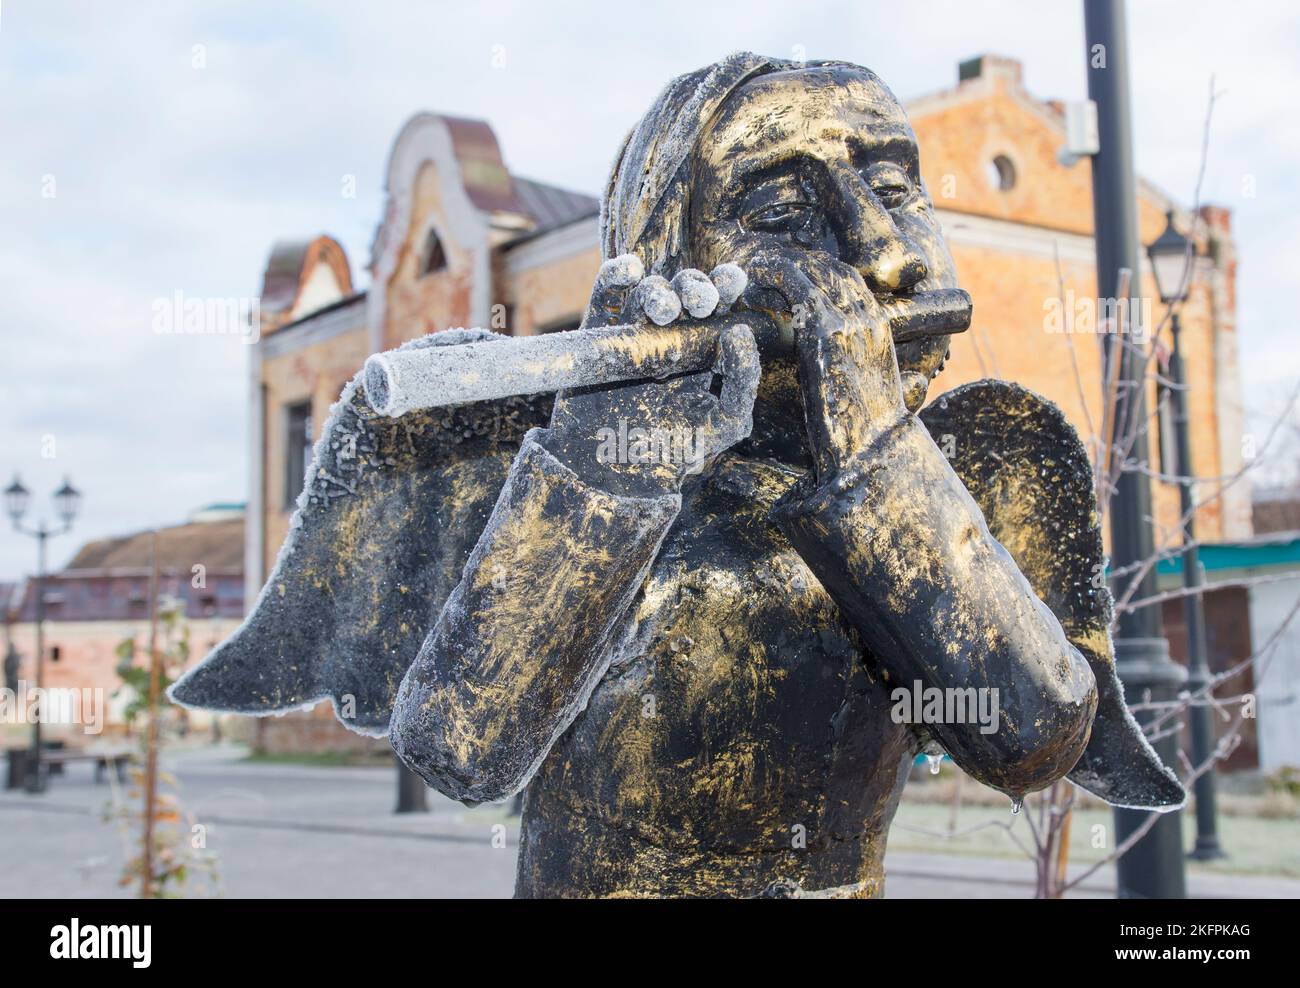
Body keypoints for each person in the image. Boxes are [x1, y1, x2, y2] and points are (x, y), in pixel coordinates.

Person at [173, 53, 1182, 898]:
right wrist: (602, 476)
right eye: (783, 208)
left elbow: (1035, 739)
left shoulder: (976, 458)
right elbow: (461, 749)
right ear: (672, 253)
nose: (879, 254)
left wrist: (876, 457)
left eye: (890, 189)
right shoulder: (523, 447)